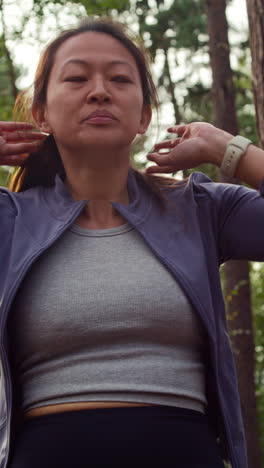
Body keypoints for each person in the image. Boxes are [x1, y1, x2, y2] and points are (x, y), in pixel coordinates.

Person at [0, 16, 263, 468]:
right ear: (40, 112)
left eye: (120, 79)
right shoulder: (9, 219)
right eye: (77, 78)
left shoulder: (200, 207)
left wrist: (226, 149)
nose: (99, 91)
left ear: (144, 114)